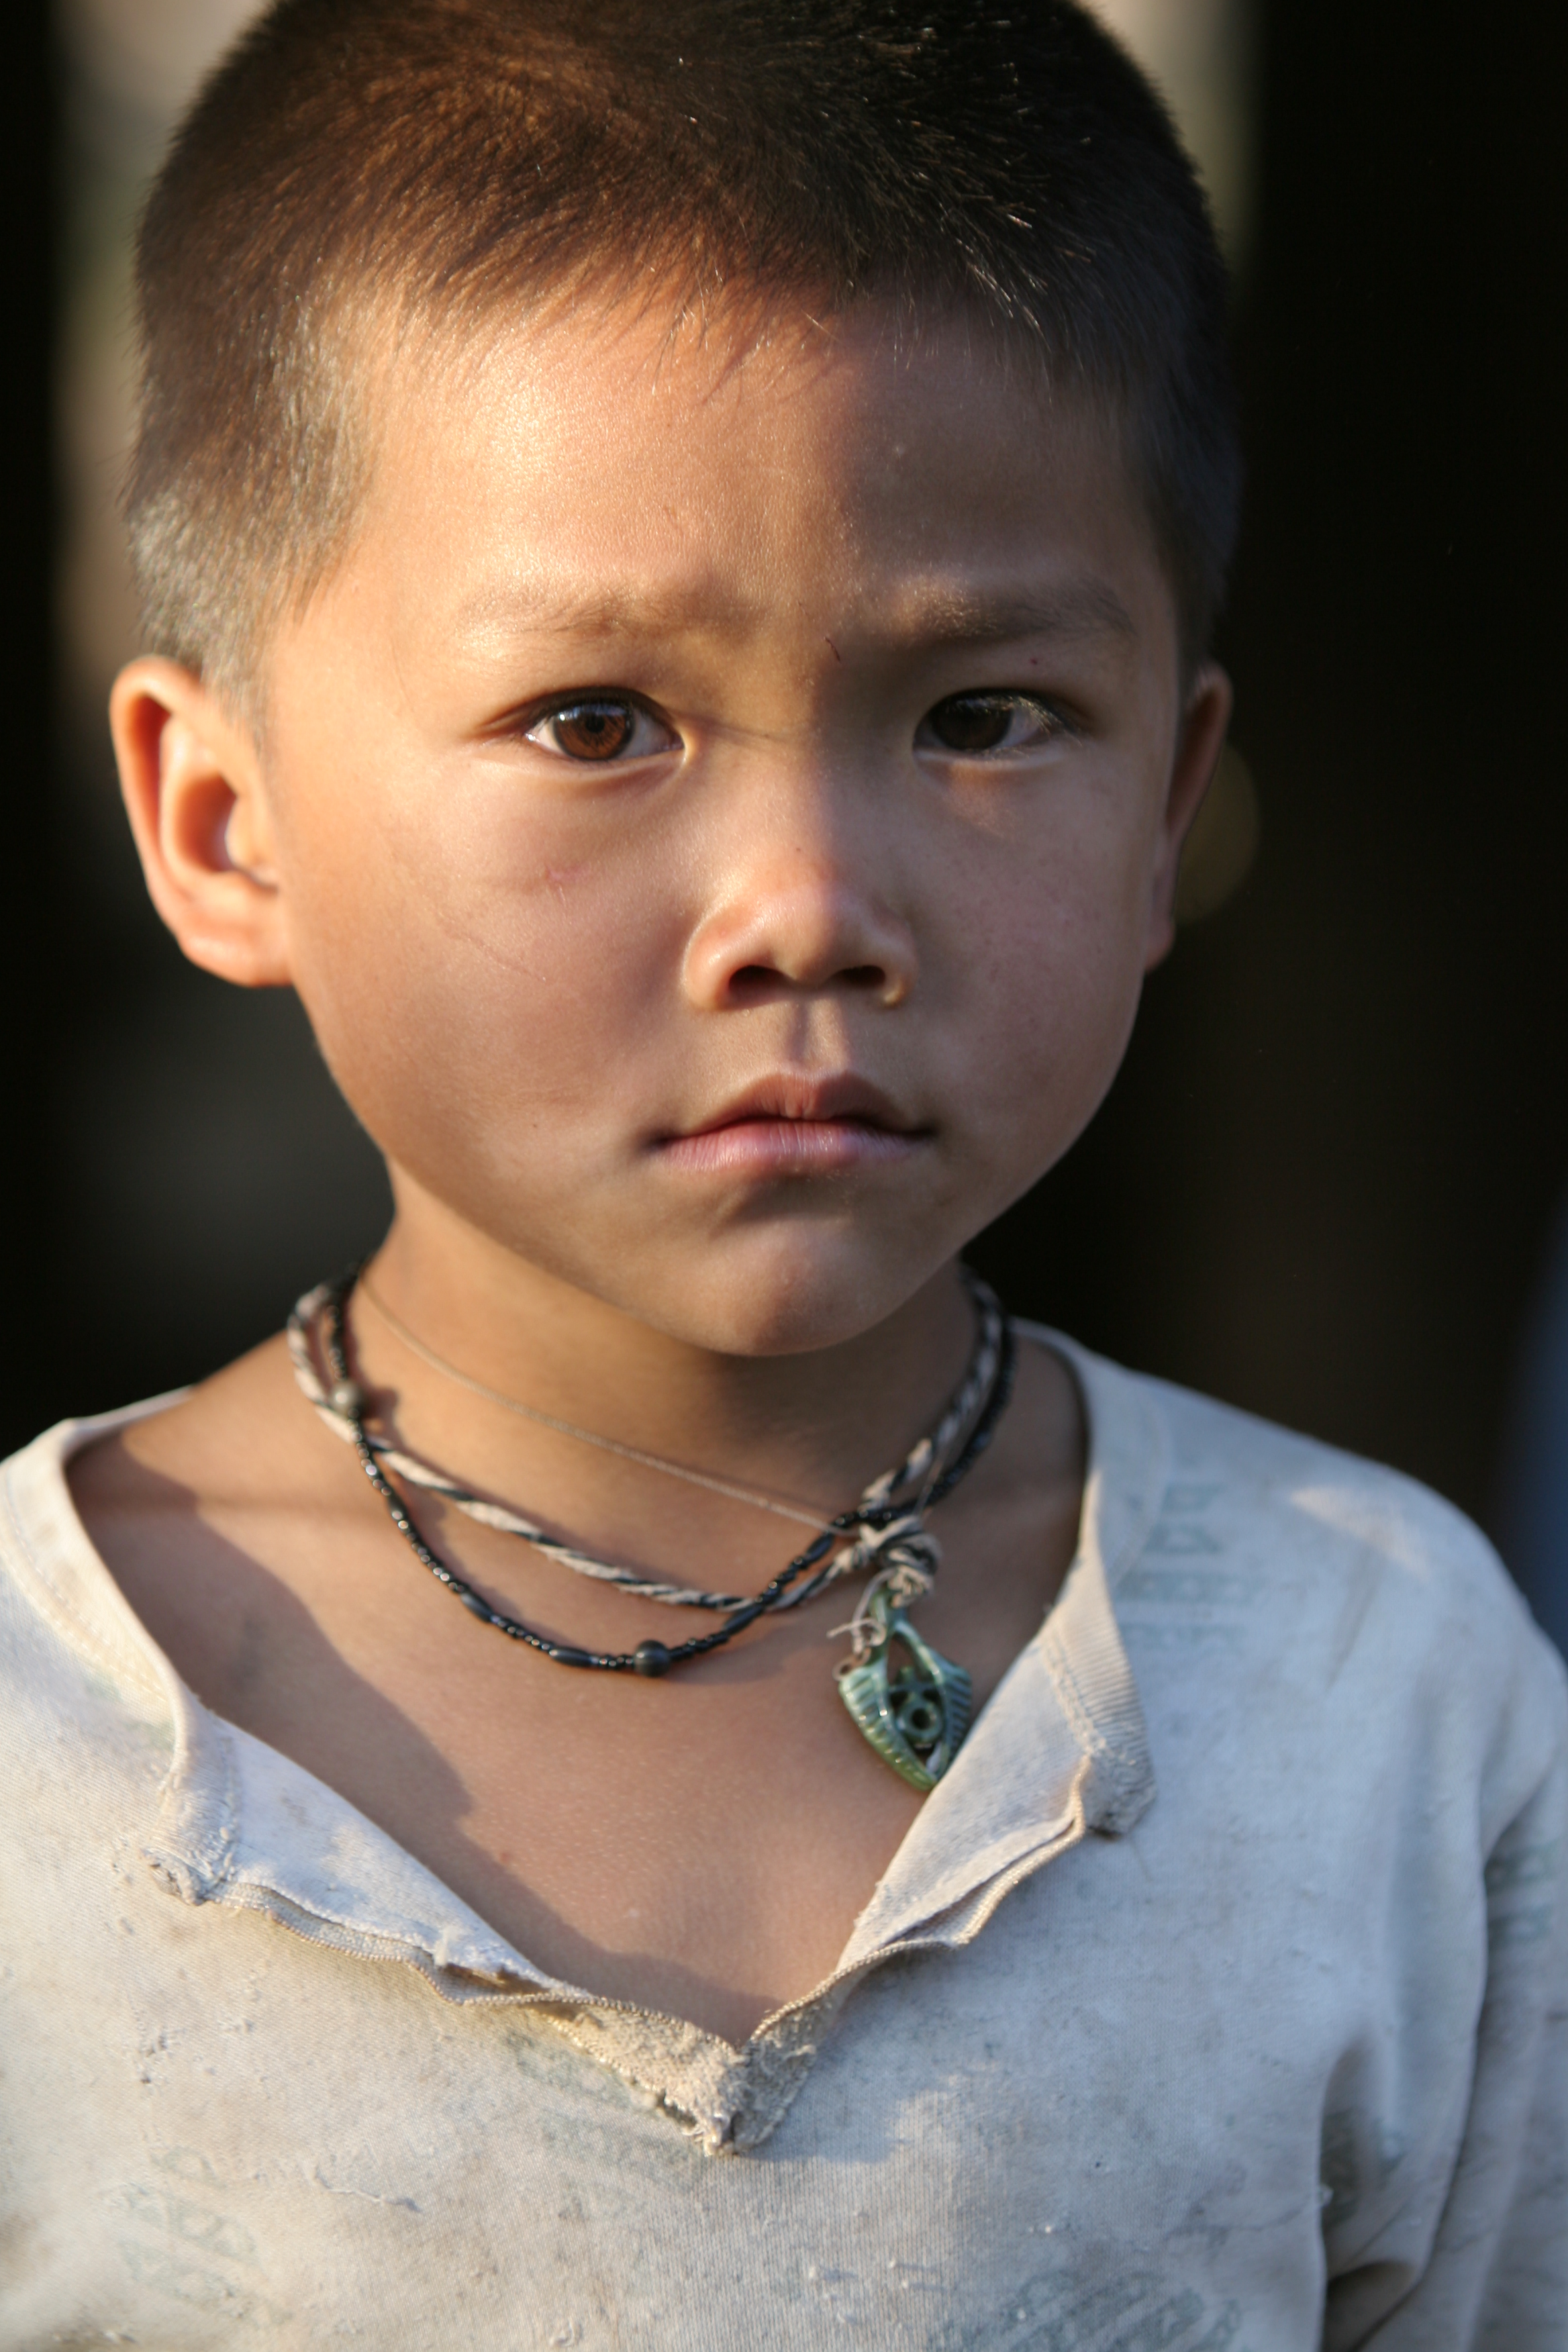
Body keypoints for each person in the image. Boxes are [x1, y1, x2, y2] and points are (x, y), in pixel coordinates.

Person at [2, 1, 1563, 2341]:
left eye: (980, 718)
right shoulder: (40, 1741)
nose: (811, 901)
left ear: (1169, 805)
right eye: (594, 723)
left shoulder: (1376, 1689)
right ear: (225, 827)